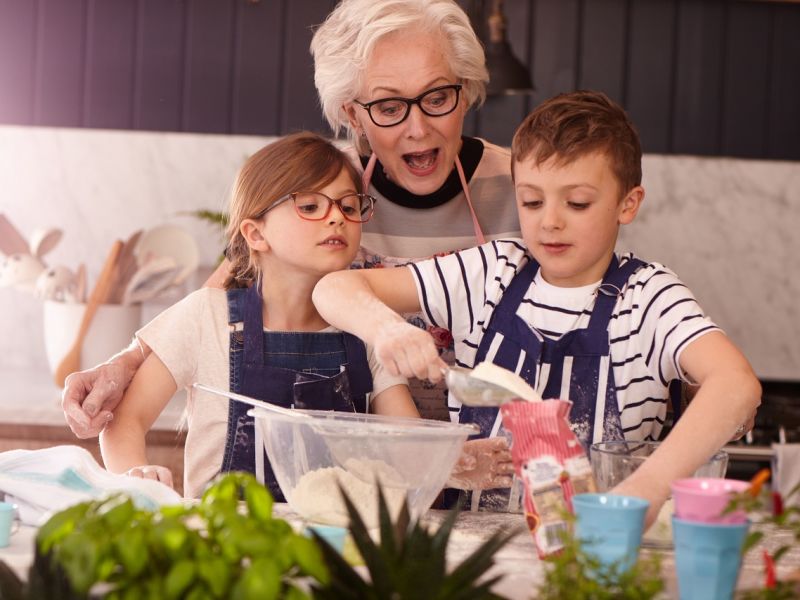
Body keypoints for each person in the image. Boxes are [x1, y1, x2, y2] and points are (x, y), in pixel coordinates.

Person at [64, 0, 519, 449]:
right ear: (351, 114)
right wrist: (129, 362)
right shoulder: (323, 186)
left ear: (466, 90)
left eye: (438, 97)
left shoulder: (529, 191)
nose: (418, 128)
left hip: (492, 453)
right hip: (367, 462)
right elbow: (220, 300)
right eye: (388, 106)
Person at [311, 90, 762, 521]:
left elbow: (737, 385)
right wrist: (386, 329)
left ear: (628, 204)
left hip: (599, 552)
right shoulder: (491, 273)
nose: (550, 221)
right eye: (531, 200)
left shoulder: (648, 297)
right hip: (480, 555)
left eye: (578, 202)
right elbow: (334, 289)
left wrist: (642, 495)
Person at [99, 132, 420, 499]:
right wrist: (135, 480)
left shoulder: (370, 328)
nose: (336, 219)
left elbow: (411, 447)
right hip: (223, 545)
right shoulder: (205, 318)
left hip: (335, 547)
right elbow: (124, 421)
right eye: (311, 207)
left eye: (348, 206)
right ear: (255, 234)